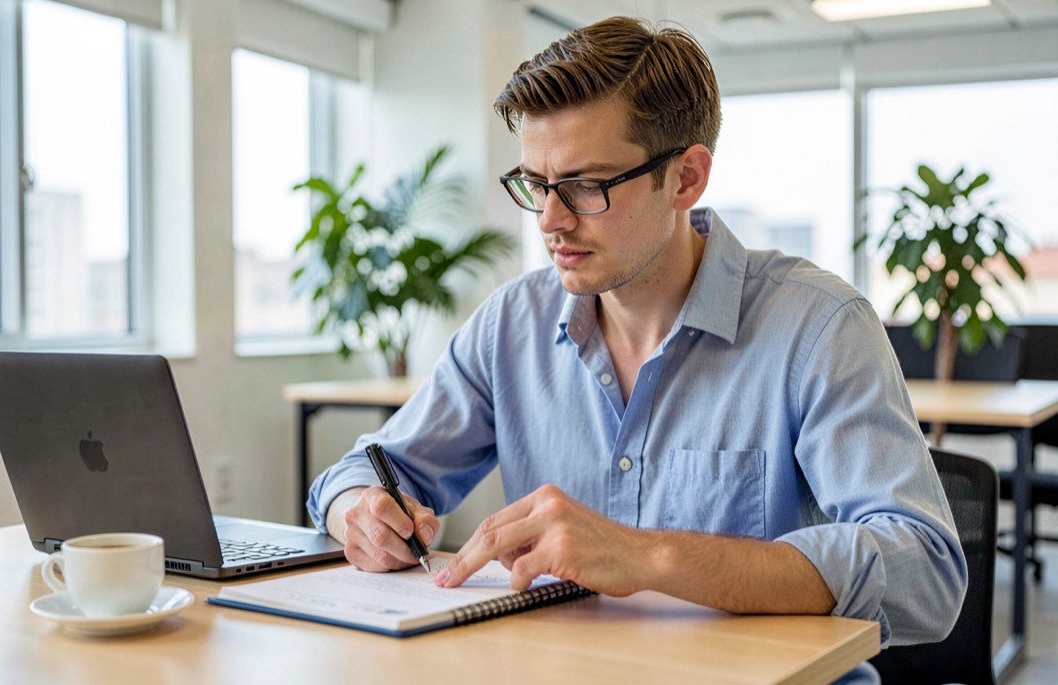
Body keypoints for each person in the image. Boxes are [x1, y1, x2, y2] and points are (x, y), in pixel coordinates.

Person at [307, 15, 965, 681]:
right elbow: (369, 469)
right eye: (536, 185)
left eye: (585, 186)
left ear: (686, 178)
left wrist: (650, 555)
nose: (551, 221)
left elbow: (926, 572)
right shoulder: (511, 324)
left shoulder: (819, 327)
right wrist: (356, 510)